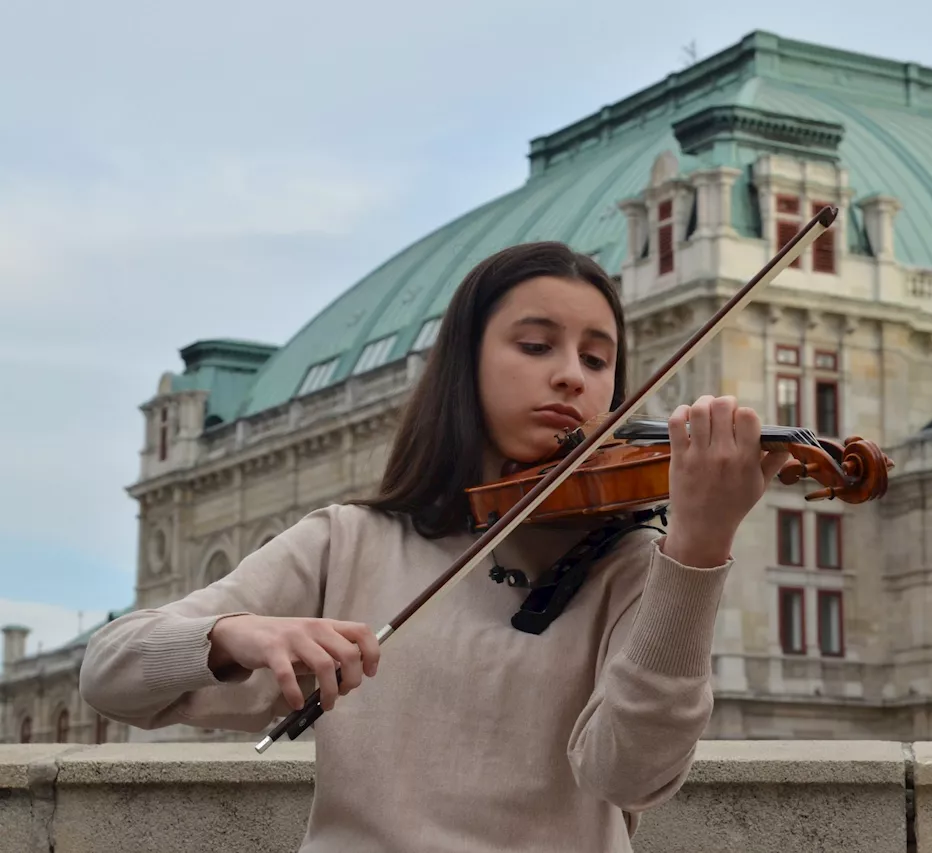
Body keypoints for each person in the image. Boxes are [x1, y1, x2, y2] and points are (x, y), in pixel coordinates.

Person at [80, 241, 790, 852]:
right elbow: (111, 673)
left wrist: (698, 549)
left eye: (598, 358)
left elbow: (632, 775)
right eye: (536, 345)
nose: (573, 374)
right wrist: (233, 634)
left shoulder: (635, 565)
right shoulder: (347, 542)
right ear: (465, 364)